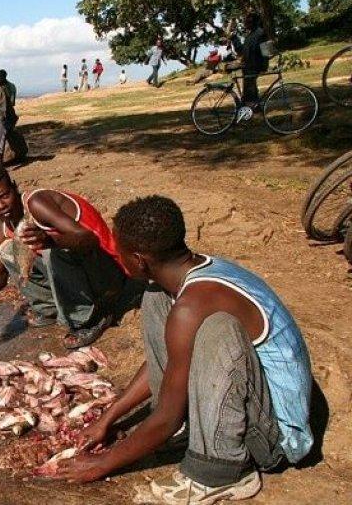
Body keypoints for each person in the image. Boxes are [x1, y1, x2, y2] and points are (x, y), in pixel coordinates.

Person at [50, 195, 313, 504]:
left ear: (139, 260)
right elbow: (175, 360)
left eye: (120, 250)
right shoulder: (189, 274)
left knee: (218, 330)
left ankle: (223, 470)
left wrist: (102, 463)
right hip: (251, 402)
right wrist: (108, 418)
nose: (117, 256)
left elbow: (167, 417)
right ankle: (191, 430)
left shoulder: (195, 303)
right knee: (155, 297)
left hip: (276, 439)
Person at [0, 165, 142, 348]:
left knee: (51, 252)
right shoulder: (3, 229)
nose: (1, 206)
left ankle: (89, 318)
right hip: (80, 276)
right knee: (7, 250)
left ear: (15, 187)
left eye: (4, 196)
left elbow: (89, 239)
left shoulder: (36, 203)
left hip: (109, 273)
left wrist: (50, 240)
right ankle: (49, 307)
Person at [230, 13, 269, 106]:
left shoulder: (260, 34)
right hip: (249, 67)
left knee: (250, 90)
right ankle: (252, 107)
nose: (245, 24)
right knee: (250, 90)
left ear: (253, 23)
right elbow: (242, 51)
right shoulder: (251, 35)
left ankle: (252, 107)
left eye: (247, 22)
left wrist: (264, 66)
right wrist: (234, 38)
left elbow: (265, 52)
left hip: (254, 66)